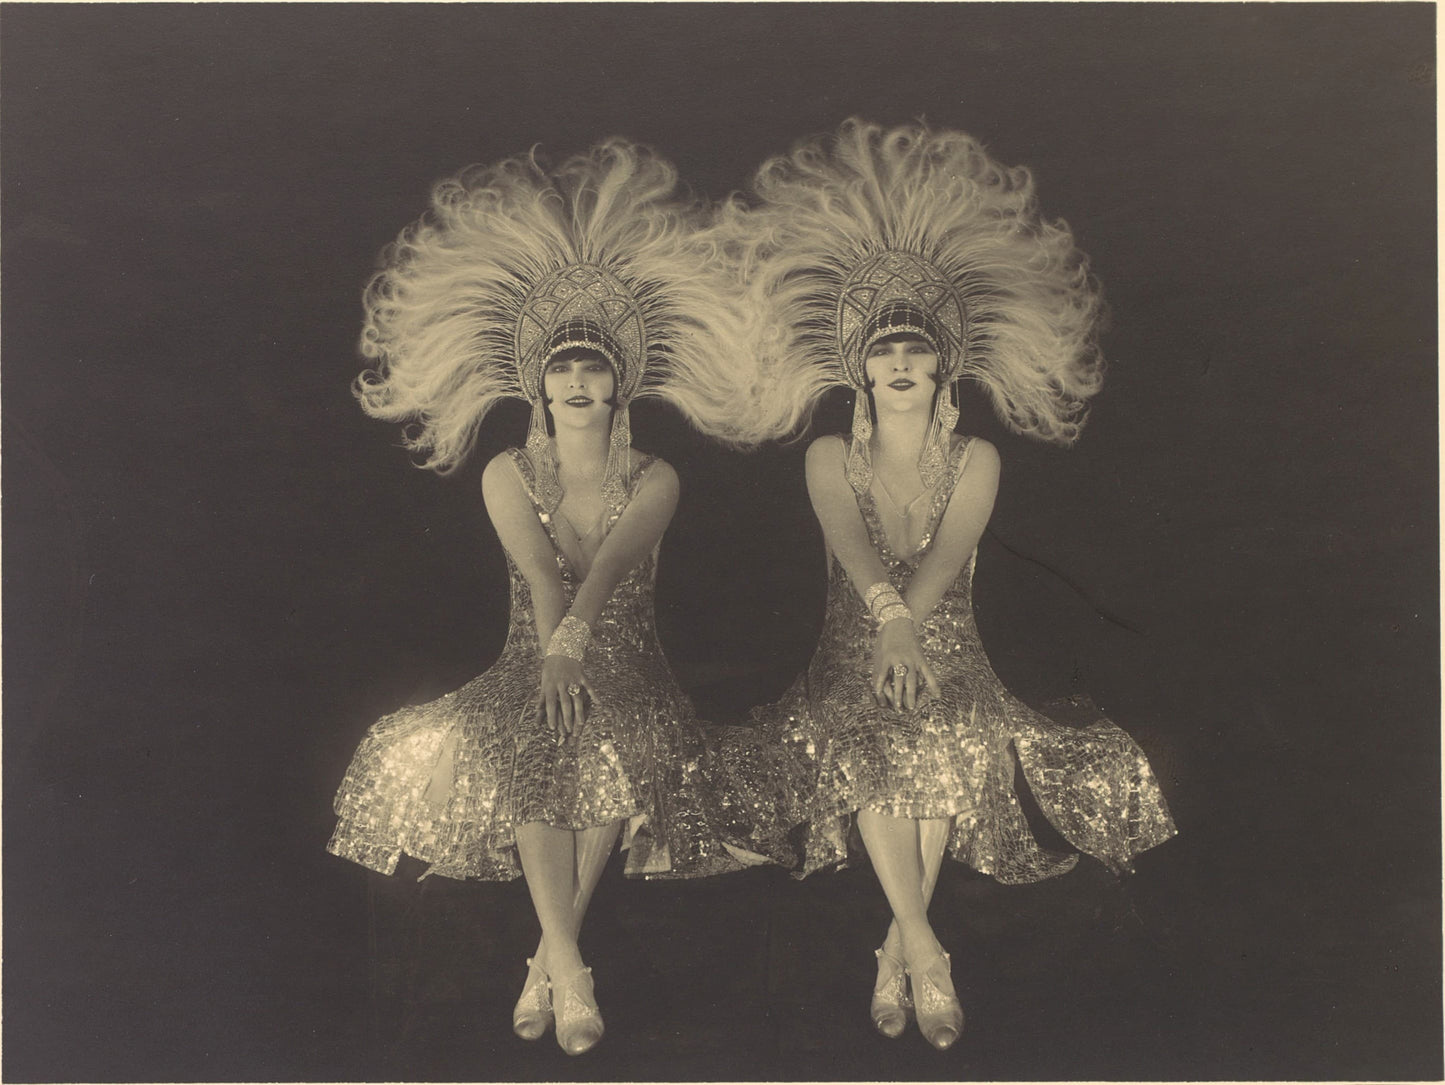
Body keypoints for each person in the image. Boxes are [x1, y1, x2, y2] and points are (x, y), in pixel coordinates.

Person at [710, 120, 1178, 1050]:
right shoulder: (827, 454)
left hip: (950, 650)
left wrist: (907, 630)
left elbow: (946, 553)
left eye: (914, 349)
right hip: (852, 647)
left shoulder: (978, 458)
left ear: (939, 366)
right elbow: (851, 544)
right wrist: (885, 628)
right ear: (860, 365)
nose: (898, 362)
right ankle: (926, 951)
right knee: (875, 732)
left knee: (943, 729)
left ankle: (899, 951)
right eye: (883, 348)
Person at [326, 140, 757, 1055]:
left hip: (625, 660)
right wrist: (554, 658)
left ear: (617, 383)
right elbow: (541, 574)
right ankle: (566, 962)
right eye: (562, 369)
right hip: (530, 656)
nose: (576, 381)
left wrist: (576, 653)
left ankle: (545, 968)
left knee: (609, 737)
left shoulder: (656, 476)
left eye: (591, 368)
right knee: (534, 739)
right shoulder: (505, 472)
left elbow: (602, 574)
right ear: (540, 385)